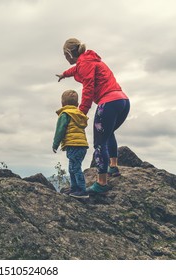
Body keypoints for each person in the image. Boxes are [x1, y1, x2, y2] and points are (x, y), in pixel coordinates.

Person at [56, 38, 130, 194]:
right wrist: (64, 74)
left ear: (69, 53)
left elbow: (88, 88)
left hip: (108, 102)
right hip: (122, 100)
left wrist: (81, 112)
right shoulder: (88, 61)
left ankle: (101, 184)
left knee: (99, 143)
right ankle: (113, 167)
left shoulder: (85, 64)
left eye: (64, 55)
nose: (64, 58)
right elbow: (75, 71)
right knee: (108, 134)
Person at [53, 90, 89, 199]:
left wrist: (55, 144)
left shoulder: (65, 114)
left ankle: (82, 190)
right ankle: (74, 189)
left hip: (73, 145)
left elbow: (60, 130)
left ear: (62, 104)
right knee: (72, 167)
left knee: (75, 167)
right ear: (77, 104)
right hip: (82, 145)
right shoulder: (79, 115)